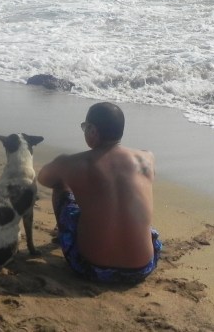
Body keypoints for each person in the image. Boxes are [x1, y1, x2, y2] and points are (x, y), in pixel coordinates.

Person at [37, 102, 161, 284]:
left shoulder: (74, 163)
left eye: (85, 127)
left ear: (92, 131)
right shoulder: (147, 158)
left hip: (92, 268)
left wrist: (69, 173)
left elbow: (44, 178)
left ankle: (66, 236)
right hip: (142, 268)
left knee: (61, 186)